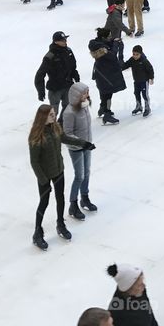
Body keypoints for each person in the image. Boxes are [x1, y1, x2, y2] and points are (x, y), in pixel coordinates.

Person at [28, 103, 94, 250]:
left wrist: (84, 144)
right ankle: (37, 232)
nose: (54, 115)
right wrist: (44, 180)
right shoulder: (36, 135)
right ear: (43, 117)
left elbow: (66, 138)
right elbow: (34, 161)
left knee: (60, 198)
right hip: (44, 174)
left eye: (54, 113)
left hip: (58, 170)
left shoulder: (55, 127)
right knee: (43, 203)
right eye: (51, 114)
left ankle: (61, 224)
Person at [62, 82, 98, 220]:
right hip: (76, 148)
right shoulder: (69, 112)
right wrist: (82, 143)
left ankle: (85, 198)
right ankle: (73, 204)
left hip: (86, 145)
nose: (87, 95)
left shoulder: (84, 106)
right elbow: (67, 134)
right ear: (76, 95)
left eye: (87, 92)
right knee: (79, 176)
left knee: (87, 172)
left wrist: (87, 143)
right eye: (84, 93)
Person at [34, 31, 80, 113]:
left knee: (68, 109)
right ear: (56, 41)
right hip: (55, 89)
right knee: (53, 112)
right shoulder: (50, 56)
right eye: (63, 40)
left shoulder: (68, 51)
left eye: (65, 39)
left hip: (68, 85)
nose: (65, 41)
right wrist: (41, 91)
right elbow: (40, 74)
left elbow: (72, 65)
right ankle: (52, 125)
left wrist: (75, 74)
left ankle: (62, 124)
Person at [90, 27, 127, 125]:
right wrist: (115, 44)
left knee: (105, 92)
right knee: (107, 93)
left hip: (102, 73)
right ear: (103, 37)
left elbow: (108, 47)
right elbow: (112, 55)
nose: (111, 37)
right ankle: (106, 114)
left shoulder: (98, 44)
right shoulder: (101, 49)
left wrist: (112, 42)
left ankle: (103, 108)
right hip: (105, 74)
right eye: (109, 36)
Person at [122, 44, 155, 118]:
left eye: (137, 54)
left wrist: (151, 78)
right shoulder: (132, 60)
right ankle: (139, 107)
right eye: (133, 54)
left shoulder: (144, 61)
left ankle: (147, 108)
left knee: (144, 95)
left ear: (141, 54)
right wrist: (119, 67)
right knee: (136, 93)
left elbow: (150, 69)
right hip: (136, 81)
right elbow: (125, 65)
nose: (135, 56)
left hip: (144, 81)